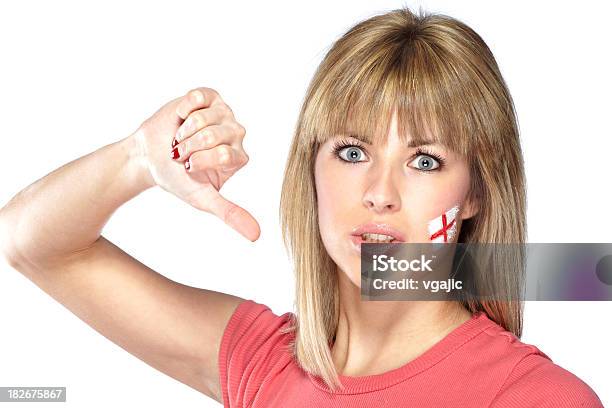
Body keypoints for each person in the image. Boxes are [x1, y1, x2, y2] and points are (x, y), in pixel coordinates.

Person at [0, 6, 604, 407]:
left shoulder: (534, 397)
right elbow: (28, 243)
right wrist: (136, 159)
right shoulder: (262, 362)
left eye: (425, 161)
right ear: (309, 172)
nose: (380, 191)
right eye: (351, 150)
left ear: (473, 192)